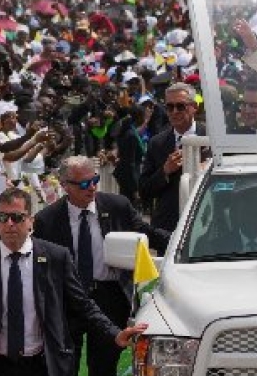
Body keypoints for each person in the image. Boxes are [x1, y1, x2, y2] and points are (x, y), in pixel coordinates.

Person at [0, 187, 148, 376]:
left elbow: (83, 304)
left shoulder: (56, 258)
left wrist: (115, 333)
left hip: (42, 364)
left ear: (31, 221)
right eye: (3, 217)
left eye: (17, 217)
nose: (9, 224)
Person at [34, 156, 170, 376]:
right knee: (64, 365)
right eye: (84, 184)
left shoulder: (117, 206)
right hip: (68, 298)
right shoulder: (47, 220)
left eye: (95, 180)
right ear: (65, 186)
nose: (92, 188)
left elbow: (149, 234)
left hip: (110, 298)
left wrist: (185, 243)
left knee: (104, 367)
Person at [139, 82, 207, 231]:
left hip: (207, 223)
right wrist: (165, 171)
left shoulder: (211, 138)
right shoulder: (157, 143)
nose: (174, 112)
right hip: (169, 227)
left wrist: (206, 170)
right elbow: (144, 189)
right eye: (169, 107)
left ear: (194, 107)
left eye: (180, 106)